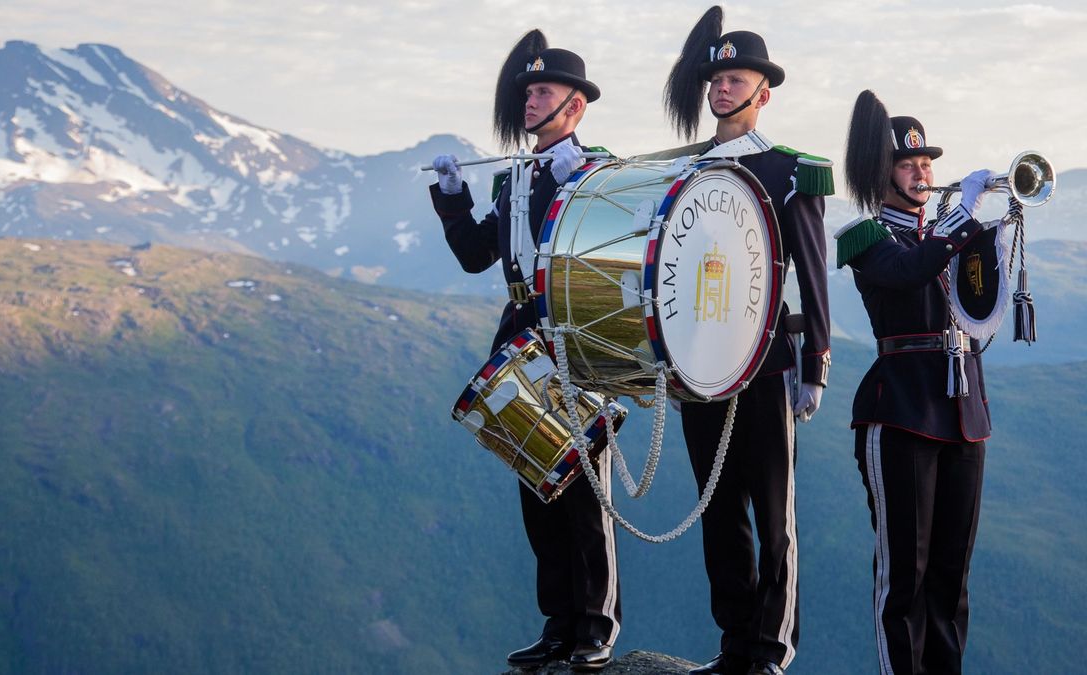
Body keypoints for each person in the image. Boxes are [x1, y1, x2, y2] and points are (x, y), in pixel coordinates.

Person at [427, 31, 619, 672]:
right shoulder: (512, 177)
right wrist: (454, 198)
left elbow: (613, 246)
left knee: (584, 486)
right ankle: (559, 622)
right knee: (536, 482)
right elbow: (477, 256)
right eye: (529, 91)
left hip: (572, 331)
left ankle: (595, 623)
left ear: (576, 105)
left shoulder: (596, 170)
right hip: (519, 330)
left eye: (544, 91)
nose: (531, 100)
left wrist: (583, 186)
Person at [657, 8, 832, 675]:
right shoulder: (684, 169)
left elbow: (814, 274)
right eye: (716, 78)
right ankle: (735, 645)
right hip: (702, 362)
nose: (722, 88)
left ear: (764, 91)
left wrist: (814, 362)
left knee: (774, 514)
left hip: (767, 364)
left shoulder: (792, 170)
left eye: (736, 78)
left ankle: (771, 651)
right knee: (718, 508)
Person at [837, 89, 1003, 675]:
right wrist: (962, 222)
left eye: (926, 162)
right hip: (901, 414)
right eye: (907, 164)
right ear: (881, 174)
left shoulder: (947, 238)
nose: (922, 172)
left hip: (962, 412)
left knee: (952, 580)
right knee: (903, 580)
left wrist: (996, 229)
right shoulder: (866, 239)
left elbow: (986, 303)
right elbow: (909, 272)